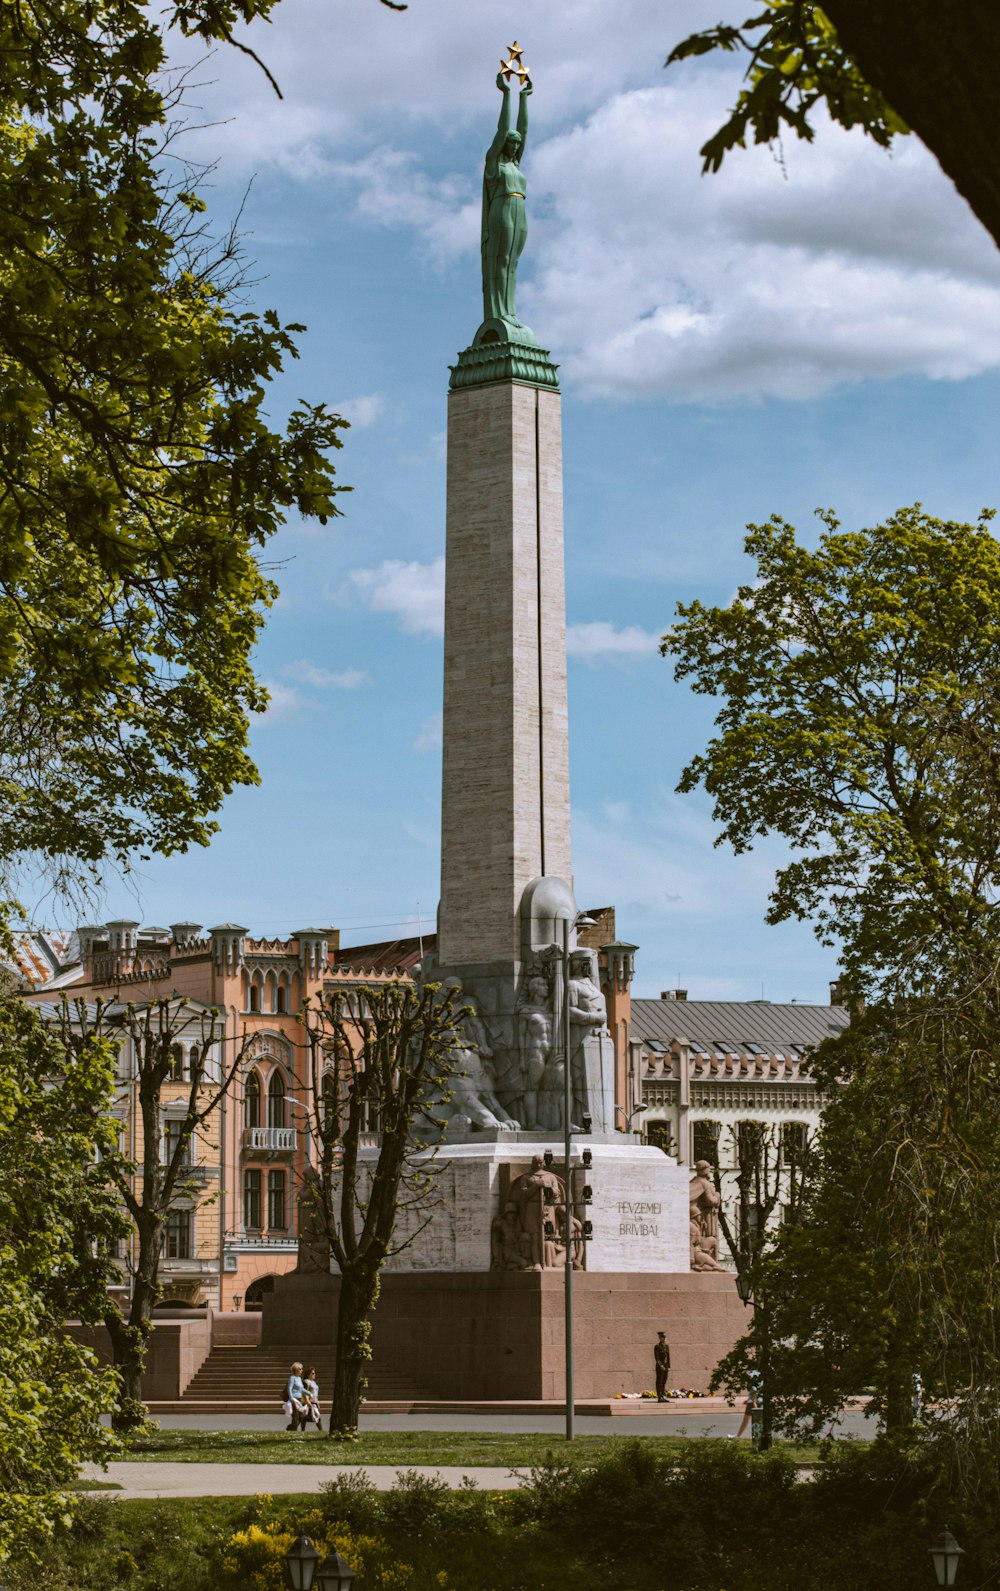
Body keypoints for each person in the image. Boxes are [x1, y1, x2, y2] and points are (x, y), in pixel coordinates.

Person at [481, 72, 532, 327]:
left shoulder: (516, 163)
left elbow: (523, 129)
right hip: (501, 207)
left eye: (517, 144)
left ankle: (510, 311)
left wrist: (525, 99)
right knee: (501, 260)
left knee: (513, 262)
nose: (514, 146)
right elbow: (504, 129)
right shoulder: (494, 163)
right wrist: (507, 94)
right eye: (511, 143)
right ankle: (498, 311)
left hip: (519, 208)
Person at [284, 1361, 308, 1431]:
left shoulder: (299, 1379)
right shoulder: (292, 1378)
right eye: (300, 1369)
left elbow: (302, 1389)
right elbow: (289, 1388)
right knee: (295, 1415)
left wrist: (310, 1394)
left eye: (302, 1369)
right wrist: (291, 1398)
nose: (301, 1370)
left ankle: (291, 1428)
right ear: (295, 1370)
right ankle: (294, 1430)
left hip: (299, 1398)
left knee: (302, 1415)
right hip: (294, 1398)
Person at [302, 1366, 323, 1431]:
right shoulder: (306, 1382)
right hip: (309, 1402)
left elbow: (315, 1394)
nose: (314, 1375)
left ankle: (320, 1430)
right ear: (308, 1375)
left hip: (314, 1401)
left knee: (312, 1416)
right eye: (312, 1373)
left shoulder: (313, 1382)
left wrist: (318, 1402)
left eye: (314, 1373)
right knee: (307, 1417)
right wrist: (307, 1401)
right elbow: (306, 1392)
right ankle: (320, 1430)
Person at [654, 1331, 671, 1402]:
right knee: (659, 1381)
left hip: (666, 1366)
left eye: (664, 1337)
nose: (663, 1339)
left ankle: (663, 1395)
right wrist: (660, 1365)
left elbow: (668, 1357)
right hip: (660, 1367)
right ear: (659, 1338)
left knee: (664, 1381)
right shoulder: (657, 1346)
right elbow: (657, 1357)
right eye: (662, 1337)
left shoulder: (666, 1346)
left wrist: (669, 1366)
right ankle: (659, 1396)